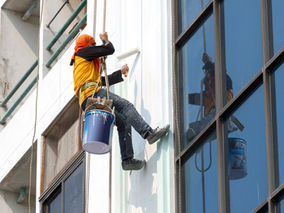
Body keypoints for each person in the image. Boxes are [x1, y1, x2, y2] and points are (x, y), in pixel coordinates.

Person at [70, 33, 170, 170]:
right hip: (93, 94)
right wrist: (105, 40)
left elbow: (101, 81)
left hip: (87, 99)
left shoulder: (83, 65)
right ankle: (149, 134)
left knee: (123, 121)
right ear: (87, 44)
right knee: (126, 106)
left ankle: (127, 159)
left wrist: (119, 73)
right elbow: (109, 49)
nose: (94, 48)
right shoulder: (83, 52)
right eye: (92, 45)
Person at [186, 53, 233, 142]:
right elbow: (195, 98)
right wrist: (184, 98)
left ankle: (191, 138)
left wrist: (208, 62)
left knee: (202, 125)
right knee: (190, 130)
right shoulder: (208, 97)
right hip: (216, 125)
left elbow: (217, 75)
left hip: (220, 117)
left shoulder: (226, 82)